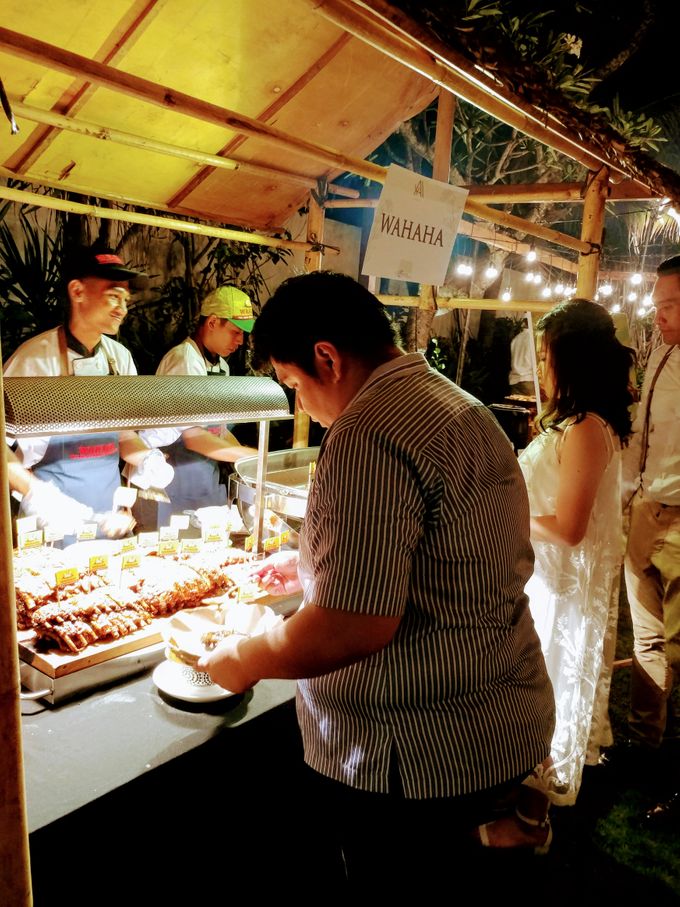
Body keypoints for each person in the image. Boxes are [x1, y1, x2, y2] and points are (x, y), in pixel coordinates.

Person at [197, 271, 554, 892]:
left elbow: (350, 625)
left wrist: (243, 658)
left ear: (327, 358)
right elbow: (443, 554)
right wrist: (312, 564)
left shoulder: (367, 432)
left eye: (293, 386)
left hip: (412, 751)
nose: (300, 405)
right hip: (499, 716)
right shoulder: (459, 405)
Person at [477, 298, 635, 848]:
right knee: (528, 688)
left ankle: (530, 821)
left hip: (562, 586)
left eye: (547, 356)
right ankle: (519, 799)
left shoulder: (589, 429)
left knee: (550, 690)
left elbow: (569, 527)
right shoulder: (572, 424)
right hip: (542, 577)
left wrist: (502, 510)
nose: (541, 368)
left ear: (574, 360)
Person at [4, 244, 173, 540]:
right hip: (50, 518)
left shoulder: (120, 359)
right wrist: (38, 495)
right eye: (113, 296)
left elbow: (123, 434)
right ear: (77, 291)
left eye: (125, 298)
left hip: (107, 517)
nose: (122, 308)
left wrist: (146, 459)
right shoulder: (32, 360)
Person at [614, 255, 680, 826]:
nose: (659, 315)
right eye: (657, 303)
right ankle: (644, 750)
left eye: (670, 305)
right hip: (644, 510)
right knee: (647, 641)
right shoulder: (661, 350)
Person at [139, 285, 257, 525]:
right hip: (169, 480)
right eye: (235, 331)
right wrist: (252, 458)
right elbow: (194, 437)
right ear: (213, 322)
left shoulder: (221, 367)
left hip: (204, 481)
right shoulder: (183, 360)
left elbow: (219, 431)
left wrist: (250, 464)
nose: (240, 340)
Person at [508, 318, 535, 396]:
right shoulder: (533, 337)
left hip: (514, 380)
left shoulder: (516, 338)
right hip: (528, 379)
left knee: (517, 406)